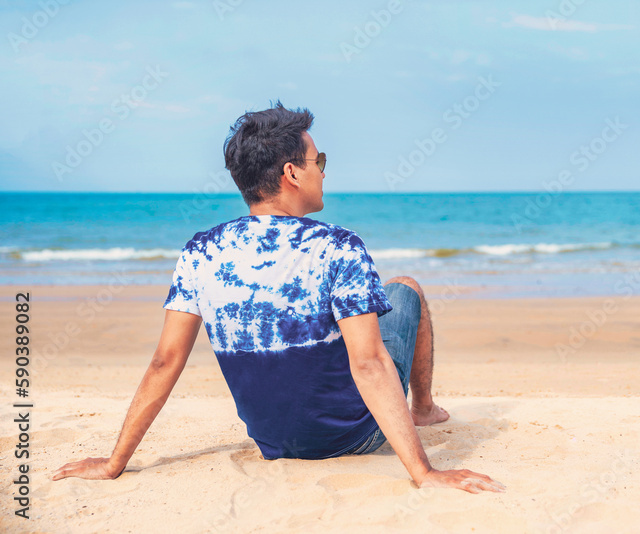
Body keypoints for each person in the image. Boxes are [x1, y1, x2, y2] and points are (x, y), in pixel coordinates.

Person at [51, 102, 504, 494]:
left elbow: (164, 361)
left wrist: (114, 464)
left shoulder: (201, 250)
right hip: (349, 438)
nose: (324, 170)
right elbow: (368, 364)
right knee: (405, 290)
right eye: (317, 160)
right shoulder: (338, 246)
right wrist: (424, 472)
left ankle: (419, 408)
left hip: (271, 443)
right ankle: (422, 409)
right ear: (291, 173)